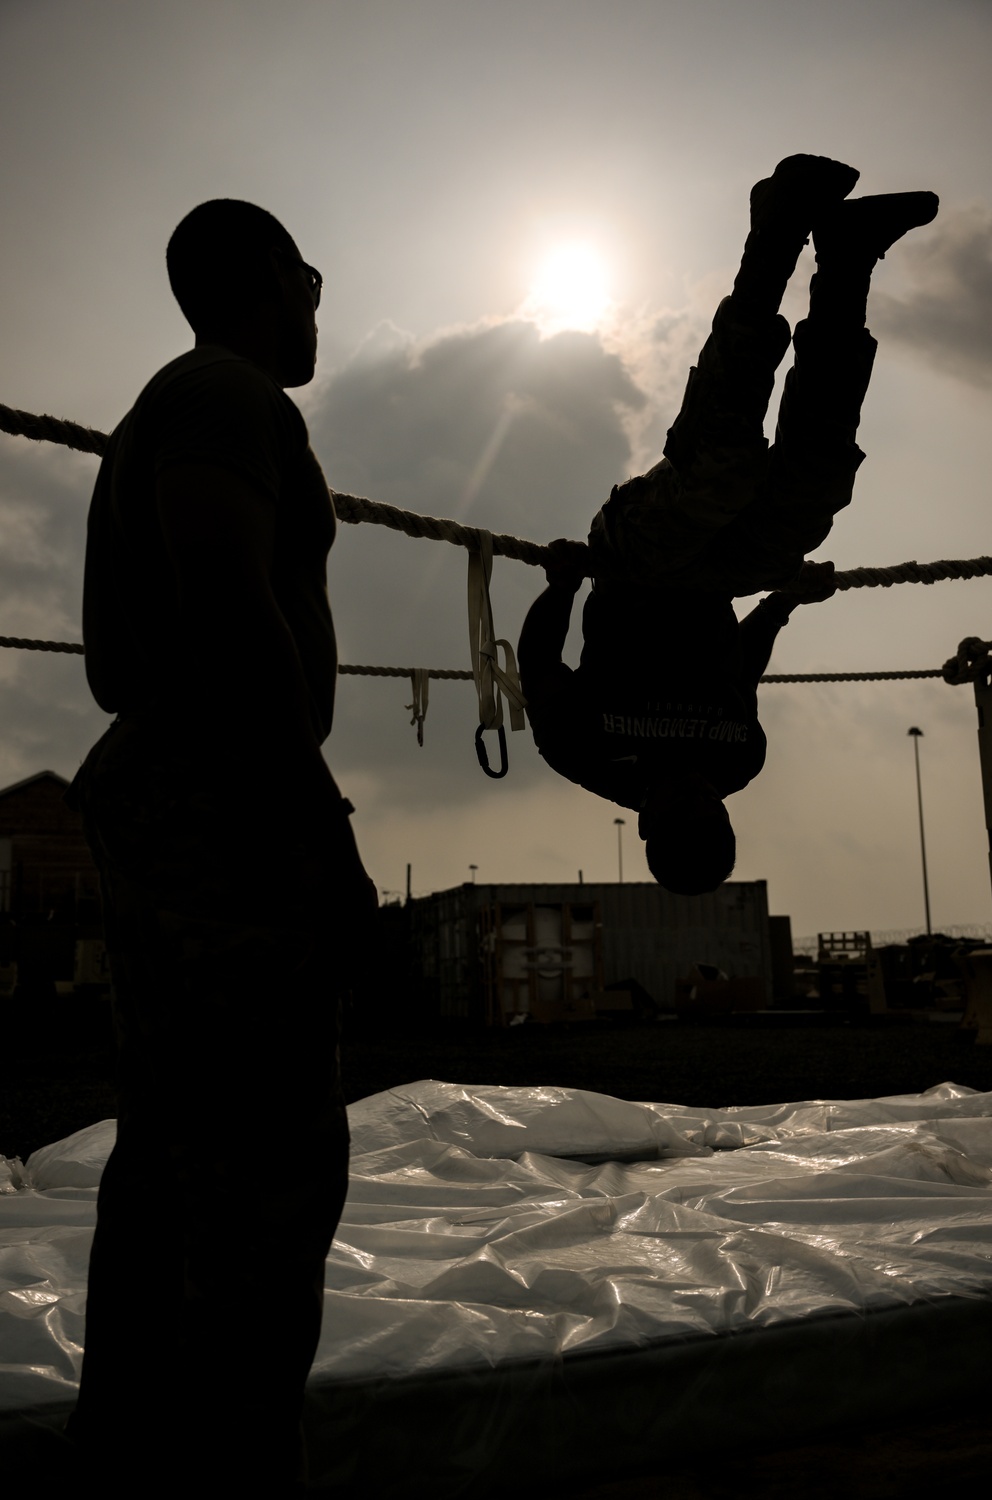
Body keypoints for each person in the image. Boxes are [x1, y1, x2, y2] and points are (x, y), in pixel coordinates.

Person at [65, 199, 376, 1496]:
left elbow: (105, 664)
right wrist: (309, 811)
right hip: (222, 791)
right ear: (265, 277)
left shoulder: (169, 409)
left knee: (174, 1153)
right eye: (309, 275)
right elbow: (225, 591)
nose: (320, 300)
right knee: (259, 1175)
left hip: (174, 778)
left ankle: (130, 1464)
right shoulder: (220, 396)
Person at [518, 156, 938, 895]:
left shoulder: (582, 753)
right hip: (721, 577)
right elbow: (738, 670)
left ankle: (775, 230)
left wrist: (561, 584)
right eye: (715, 813)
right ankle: (847, 258)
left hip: (636, 561)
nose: (703, 795)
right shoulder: (739, 761)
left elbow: (539, 666)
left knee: (722, 470)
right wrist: (782, 603)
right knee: (812, 494)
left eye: (689, 810)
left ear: (650, 824)